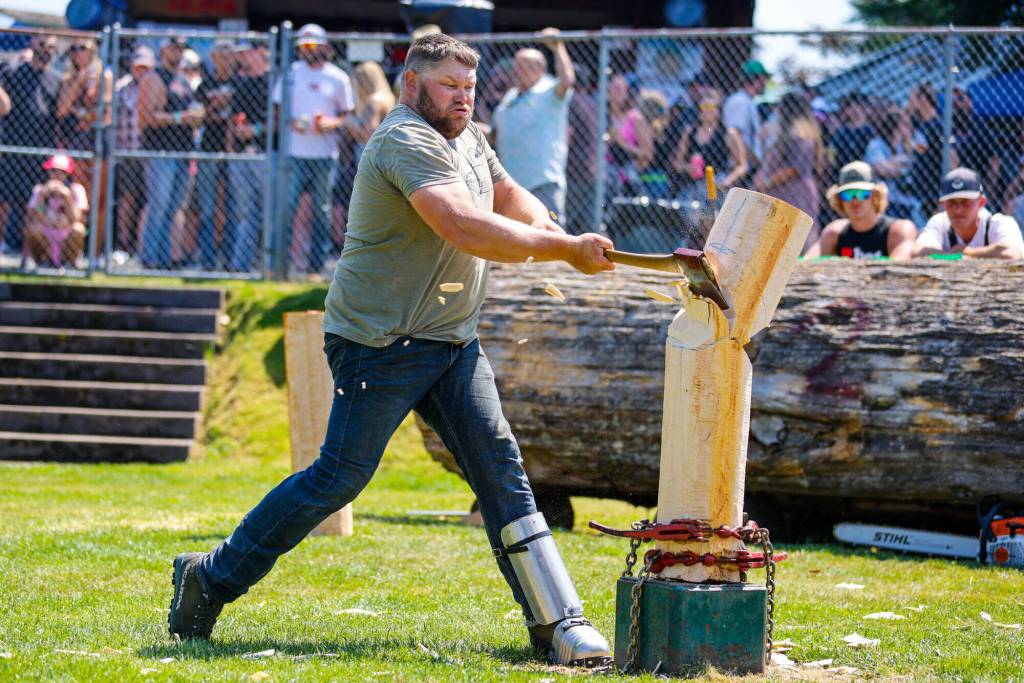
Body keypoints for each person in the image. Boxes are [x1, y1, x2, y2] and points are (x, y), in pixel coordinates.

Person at [168, 33, 615, 668]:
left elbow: (508, 195)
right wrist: (564, 251)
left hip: (451, 340)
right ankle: (209, 578)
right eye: (448, 86)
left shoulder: (468, 136)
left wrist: (553, 229)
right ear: (412, 84)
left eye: (469, 87)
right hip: (379, 341)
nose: (463, 98)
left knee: (502, 471)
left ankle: (557, 621)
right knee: (338, 479)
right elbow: (462, 224)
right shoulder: (404, 138)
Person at [274, 23, 354, 275]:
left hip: (325, 153)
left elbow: (347, 115)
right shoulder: (291, 73)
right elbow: (278, 109)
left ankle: (315, 267)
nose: (306, 50)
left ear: (324, 47)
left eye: (311, 45)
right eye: (303, 46)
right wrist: (291, 122)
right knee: (287, 206)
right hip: (294, 151)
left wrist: (331, 123)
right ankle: (280, 265)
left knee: (322, 209)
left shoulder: (338, 77)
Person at [492, 27, 575, 222]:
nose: (516, 71)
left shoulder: (550, 90)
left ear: (538, 69)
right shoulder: (510, 96)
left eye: (522, 66)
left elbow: (567, 80)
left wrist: (558, 47)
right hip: (512, 185)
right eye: (515, 66)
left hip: (543, 183)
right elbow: (496, 133)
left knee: (550, 232)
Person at [136, 36, 202, 269]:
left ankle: (164, 258)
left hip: (183, 152)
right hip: (160, 152)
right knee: (159, 205)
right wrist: (179, 118)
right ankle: (149, 258)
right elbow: (146, 118)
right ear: (163, 50)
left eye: (181, 48)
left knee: (174, 208)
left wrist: (195, 118)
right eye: (173, 48)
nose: (177, 52)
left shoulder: (182, 80)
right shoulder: (153, 78)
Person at [0, 34, 58, 256]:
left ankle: (27, 247)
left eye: (51, 47)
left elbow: (58, 114)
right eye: (43, 44)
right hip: (12, 145)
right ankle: (5, 244)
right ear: (33, 44)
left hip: (42, 149)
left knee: (34, 200)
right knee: (7, 198)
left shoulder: (55, 78)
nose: (47, 50)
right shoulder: (13, 72)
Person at [806, 161, 916, 260]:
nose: (854, 200)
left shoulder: (898, 230)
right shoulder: (835, 232)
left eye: (862, 193)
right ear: (839, 199)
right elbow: (807, 263)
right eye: (847, 194)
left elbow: (899, 266)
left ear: (875, 195)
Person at [224, 41, 270, 272]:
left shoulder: (275, 81)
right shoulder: (241, 82)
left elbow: (280, 120)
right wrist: (231, 152)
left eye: (246, 53)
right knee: (246, 213)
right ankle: (241, 265)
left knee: (269, 211)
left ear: (260, 52)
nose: (242, 57)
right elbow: (233, 120)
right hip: (242, 155)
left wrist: (256, 130)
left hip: (266, 154)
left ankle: (269, 265)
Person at [755, 92, 822, 251]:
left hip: (795, 193)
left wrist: (767, 182)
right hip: (786, 192)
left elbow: (794, 168)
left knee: (798, 239)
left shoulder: (798, 135)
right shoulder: (794, 132)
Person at [914, 167, 1023, 259]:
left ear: (981, 202)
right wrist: (957, 257)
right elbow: (918, 251)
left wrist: (966, 251)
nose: (958, 209)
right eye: (951, 202)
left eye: (965, 202)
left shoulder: (1000, 223)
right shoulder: (939, 222)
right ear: (943, 204)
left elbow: (1012, 253)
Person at [194, 39, 237, 270]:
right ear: (213, 59)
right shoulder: (205, 84)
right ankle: (207, 260)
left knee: (232, 207)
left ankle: (230, 260)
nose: (225, 61)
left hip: (234, 152)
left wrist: (230, 101)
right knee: (208, 207)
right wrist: (216, 105)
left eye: (229, 56)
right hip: (209, 149)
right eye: (220, 56)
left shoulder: (240, 83)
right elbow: (197, 117)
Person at [112, 46, 154, 256]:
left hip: (149, 152)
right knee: (127, 197)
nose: (141, 71)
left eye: (145, 67)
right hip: (126, 151)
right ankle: (124, 243)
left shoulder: (156, 86)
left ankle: (143, 245)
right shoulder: (121, 87)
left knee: (149, 199)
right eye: (138, 67)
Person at [671, 87, 748, 199]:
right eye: (702, 107)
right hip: (690, 187)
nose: (705, 110)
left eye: (709, 107)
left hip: (716, 188)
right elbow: (677, 163)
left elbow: (742, 165)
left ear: (718, 110)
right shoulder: (690, 131)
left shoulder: (728, 133)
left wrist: (725, 182)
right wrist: (688, 168)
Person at [23, 154, 88, 267]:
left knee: (79, 229)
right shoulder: (40, 190)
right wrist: (42, 197)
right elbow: (34, 218)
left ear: (67, 174)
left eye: (61, 172)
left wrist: (67, 197)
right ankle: (44, 262)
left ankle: (69, 263)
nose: (57, 175)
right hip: (46, 234)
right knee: (33, 229)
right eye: (53, 170)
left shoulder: (76, 190)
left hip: (66, 235)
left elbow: (77, 219)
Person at [864, 108, 925, 227]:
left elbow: (922, 152)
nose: (910, 128)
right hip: (885, 201)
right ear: (896, 126)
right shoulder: (876, 144)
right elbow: (883, 170)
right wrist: (900, 163)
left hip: (906, 201)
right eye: (905, 124)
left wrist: (896, 162)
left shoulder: (905, 146)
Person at [723, 59, 769, 170]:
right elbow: (733, 138)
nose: (766, 82)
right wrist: (755, 161)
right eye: (764, 78)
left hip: (748, 166)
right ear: (756, 79)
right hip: (740, 168)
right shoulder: (739, 101)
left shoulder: (749, 101)